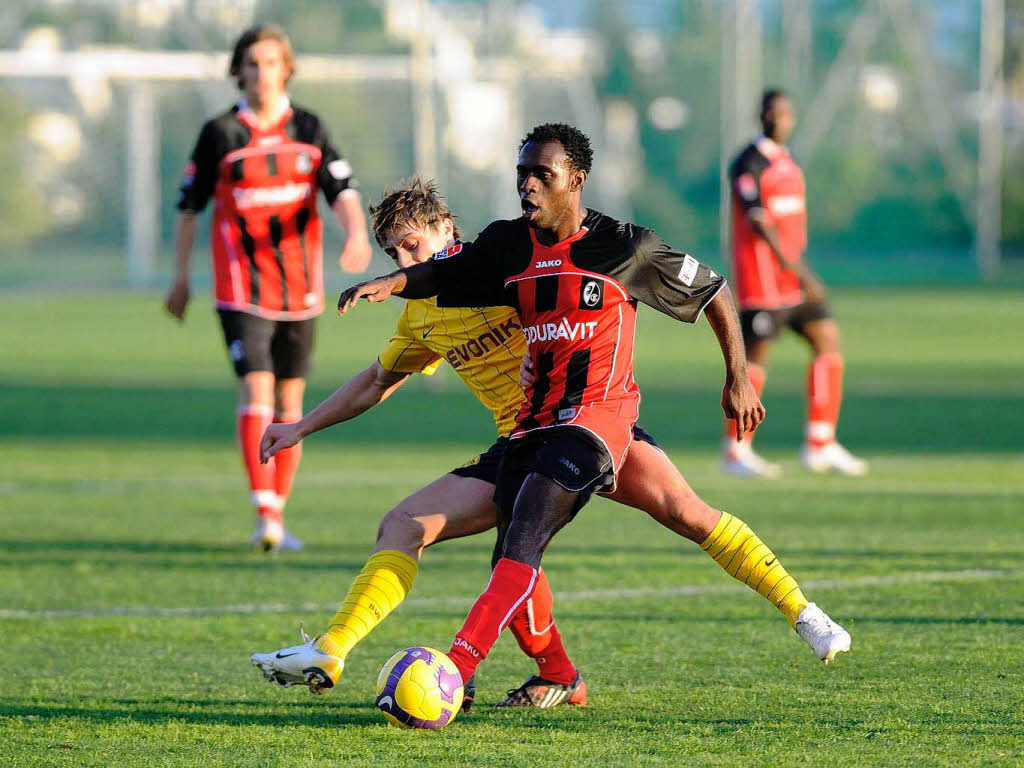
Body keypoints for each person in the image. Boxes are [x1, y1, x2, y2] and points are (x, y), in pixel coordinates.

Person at [335, 124, 852, 698]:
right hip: (534, 424)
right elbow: (447, 273)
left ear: (575, 181)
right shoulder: (509, 244)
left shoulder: (625, 246)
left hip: (597, 423)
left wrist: (737, 377)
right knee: (660, 519)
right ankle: (558, 678)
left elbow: (712, 289)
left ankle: (456, 671)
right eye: (521, 174)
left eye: (542, 175)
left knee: (537, 538)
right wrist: (392, 282)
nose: (527, 185)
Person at [165, 23, 372, 551]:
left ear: (288, 67)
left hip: (300, 288)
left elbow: (342, 188)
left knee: (291, 399)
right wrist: (181, 277)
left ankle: (277, 512)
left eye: (271, 62)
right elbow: (190, 208)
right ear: (239, 70)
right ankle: (266, 515)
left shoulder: (309, 127)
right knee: (256, 388)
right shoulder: (221, 134)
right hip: (240, 286)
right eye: (252, 63)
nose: (261, 72)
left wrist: (355, 234)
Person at [722, 89, 867, 477]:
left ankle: (820, 443)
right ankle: (737, 450)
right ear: (763, 115)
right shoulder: (746, 163)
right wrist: (803, 273)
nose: (782, 119)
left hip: (793, 281)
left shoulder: (789, 161)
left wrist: (798, 272)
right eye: (774, 112)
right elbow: (758, 222)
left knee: (827, 341)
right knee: (754, 359)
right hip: (763, 281)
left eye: (787, 112)